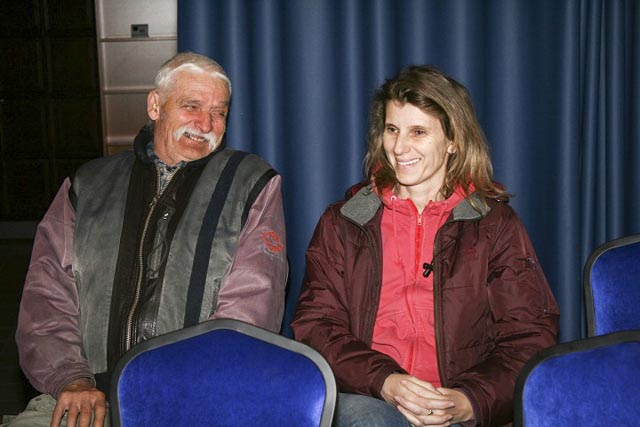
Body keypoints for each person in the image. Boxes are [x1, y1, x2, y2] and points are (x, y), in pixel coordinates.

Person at [9, 52, 288, 427]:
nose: (206, 123)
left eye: (219, 112)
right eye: (192, 106)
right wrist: (71, 378)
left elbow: (251, 310)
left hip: (195, 397)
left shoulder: (250, 183)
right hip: (87, 394)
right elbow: (45, 299)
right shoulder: (88, 185)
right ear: (156, 106)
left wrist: (176, 391)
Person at [291, 65, 559, 427]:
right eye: (392, 130)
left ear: (453, 141)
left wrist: (468, 400)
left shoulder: (496, 226)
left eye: (418, 132)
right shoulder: (344, 222)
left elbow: (528, 337)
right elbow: (317, 325)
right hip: (370, 398)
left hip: (456, 406)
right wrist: (385, 381)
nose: (399, 147)